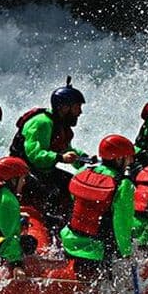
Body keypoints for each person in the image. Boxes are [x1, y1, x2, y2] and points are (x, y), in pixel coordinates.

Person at [9, 76, 89, 232]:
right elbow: (35, 155)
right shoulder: (42, 123)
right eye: (77, 107)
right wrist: (60, 158)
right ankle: (48, 229)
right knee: (52, 193)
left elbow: (66, 150)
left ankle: (69, 226)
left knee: (72, 185)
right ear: (64, 107)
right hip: (24, 172)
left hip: (43, 171)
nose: (80, 112)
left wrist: (85, 159)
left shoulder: (59, 125)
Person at [60, 134, 136, 278]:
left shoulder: (83, 171)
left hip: (69, 241)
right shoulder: (123, 185)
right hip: (97, 251)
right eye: (129, 157)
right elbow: (122, 222)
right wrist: (127, 253)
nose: (131, 161)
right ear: (119, 159)